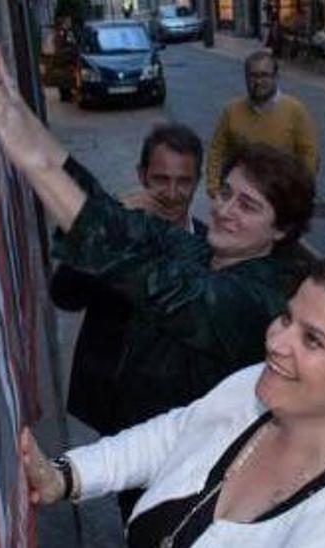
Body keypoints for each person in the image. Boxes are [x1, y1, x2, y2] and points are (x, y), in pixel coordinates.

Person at [0, 73, 316, 520]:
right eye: (225, 193)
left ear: (281, 231)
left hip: (190, 483)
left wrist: (35, 166)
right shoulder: (202, 251)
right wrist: (26, 123)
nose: (223, 209)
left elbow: (142, 270)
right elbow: (118, 222)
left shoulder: (257, 301)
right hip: (142, 453)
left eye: (247, 205)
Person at [18, 254, 325, 547]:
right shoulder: (255, 387)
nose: (275, 341)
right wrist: (66, 476)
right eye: (287, 317)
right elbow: (175, 435)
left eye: (312, 340)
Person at [52, 124, 208, 439]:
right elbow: (64, 295)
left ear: (198, 182)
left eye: (184, 182)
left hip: (186, 416)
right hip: (121, 411)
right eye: (161, 180)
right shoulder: (116, 234)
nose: (173, 194)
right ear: (141, 175)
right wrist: (110, 222)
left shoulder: (211, 245)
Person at [208, 51, 319, 195]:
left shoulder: (296, 111)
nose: (258, 81)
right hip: (242, 198)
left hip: (282, 197)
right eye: (253, 75)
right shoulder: (231, 111)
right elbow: (217, 151)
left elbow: (308, 156)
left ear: (276, 77)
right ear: (246, 78)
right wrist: (214, 189)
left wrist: (302, 193)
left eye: (264, 75)